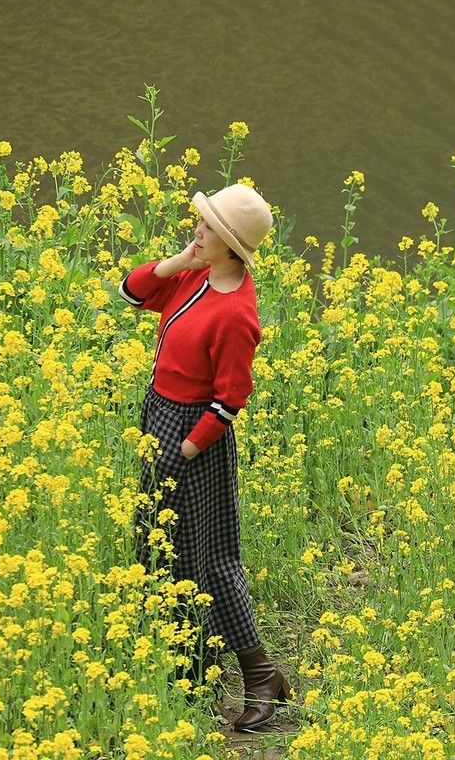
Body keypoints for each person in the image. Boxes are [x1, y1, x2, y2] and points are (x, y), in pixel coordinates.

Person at [118, 183, 288, 733]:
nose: (197, 229)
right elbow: (132, 291)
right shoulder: (193, 276)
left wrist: (187, 449)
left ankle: (261, 675)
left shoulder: (237, 313)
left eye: (208, 227)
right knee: (158, 543)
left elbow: (230, 398)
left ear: (233, 245)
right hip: (160, 419)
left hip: (196, 438)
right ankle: (189, 663)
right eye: (200, 221)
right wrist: (175, 262)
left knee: (211, 558)